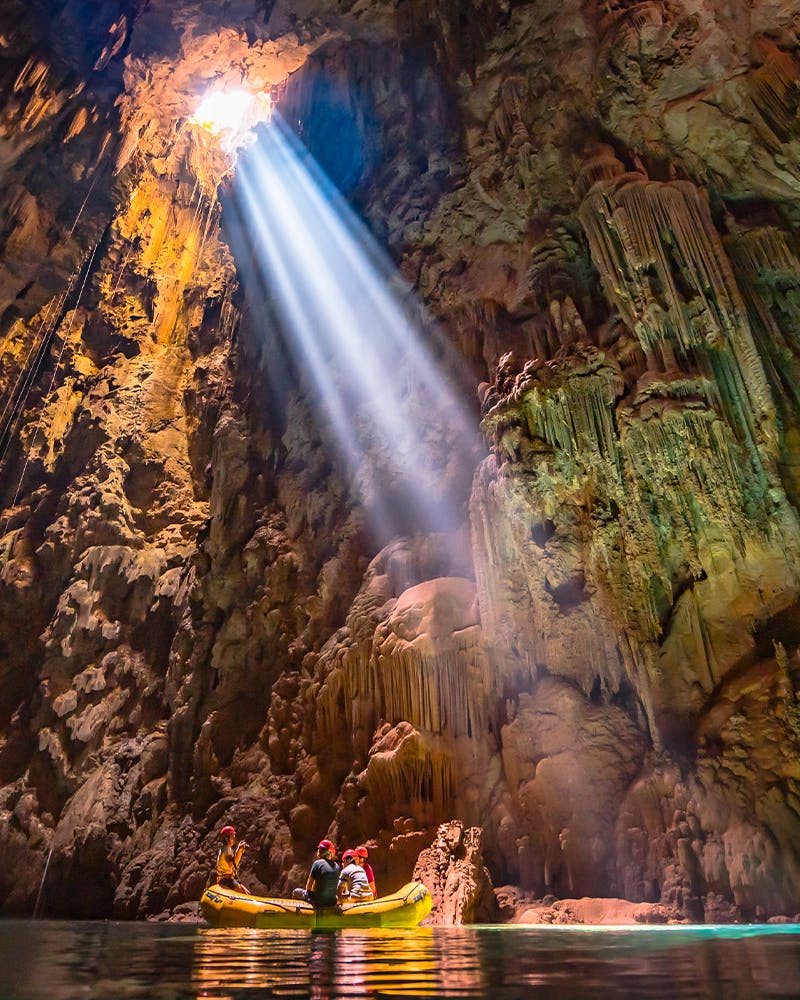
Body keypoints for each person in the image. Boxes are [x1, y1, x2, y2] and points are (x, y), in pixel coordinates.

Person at [293, 839, 340, 907]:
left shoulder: (317, 864)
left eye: (320, 849)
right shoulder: (337, 866)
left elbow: (308, 887)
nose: (318, 850)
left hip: (318, 901)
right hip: (332, 901)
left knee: (296, 891)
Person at [216, 825, 250, 894]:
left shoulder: (226, 849)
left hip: (227, 878)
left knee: (247, 893)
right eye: (232, 836)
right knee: (245, 894)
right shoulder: (226, 850)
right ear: (226, 839)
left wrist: (239, 849)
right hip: (226, 880)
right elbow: (233, 865)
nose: (234, 837)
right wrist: (240, 850)